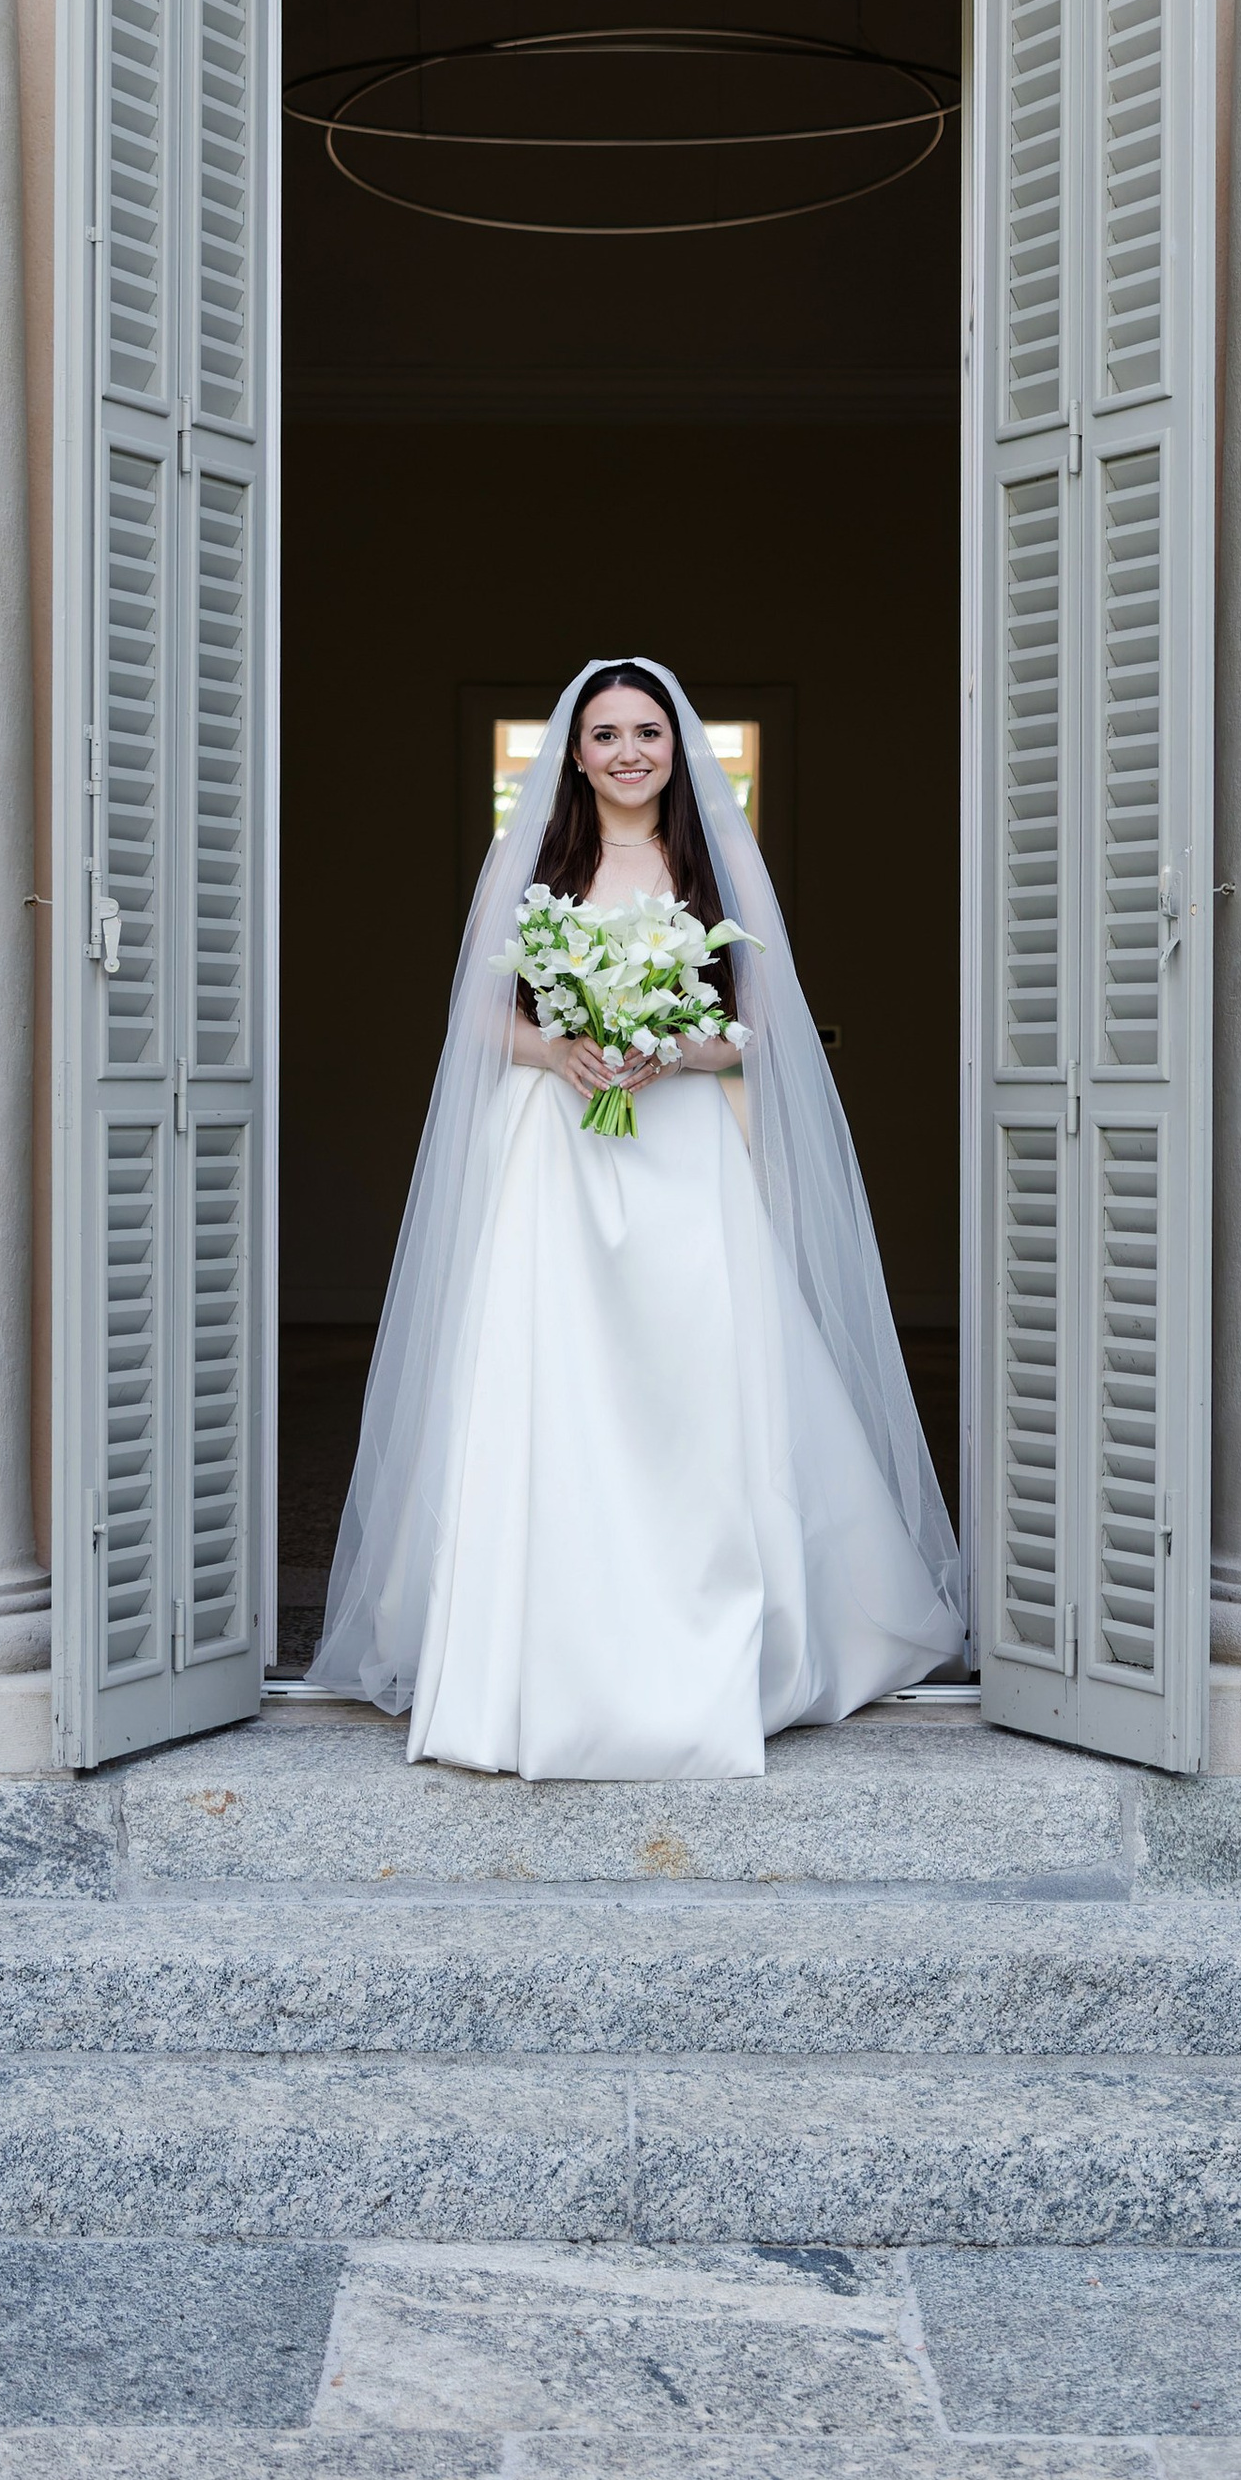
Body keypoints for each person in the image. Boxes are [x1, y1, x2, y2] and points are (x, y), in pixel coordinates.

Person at [309, 655, 964, 1778]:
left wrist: (669, 1045)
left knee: (693, 1376)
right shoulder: (532, 866)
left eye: (647, 733)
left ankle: (718, 1637)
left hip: (679, 1148)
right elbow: (479, 1021)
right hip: (551, 1148)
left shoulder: (718, 868)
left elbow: (752, 1027)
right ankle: (542, 1652)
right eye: (605, 734)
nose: (627, 753)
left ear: (677, 747)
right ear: (572, 752)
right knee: (549, 1373)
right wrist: (556, 1044)